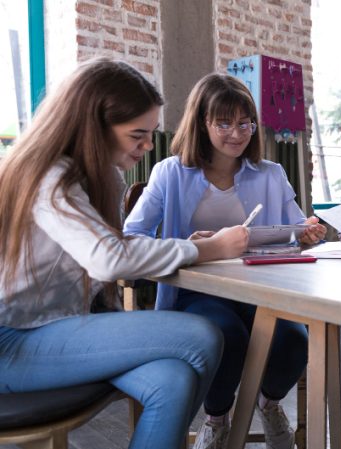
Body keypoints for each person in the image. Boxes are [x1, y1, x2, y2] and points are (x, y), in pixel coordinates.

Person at [0, 58, 248, 449]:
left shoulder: (102, 178)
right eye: (138, 134)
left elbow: (113, 247)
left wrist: (187, 246)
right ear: (92, 128)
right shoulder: (49, 176)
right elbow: (108, 258)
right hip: (11, 339)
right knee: (202, 334)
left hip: (52, 327)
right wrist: (206, 248)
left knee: (174, 379)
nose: (148, 145)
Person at [124, 73, 326, 449]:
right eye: (224, 123)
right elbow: (131, 237)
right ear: (202, 123)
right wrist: (186, 244)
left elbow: (294, 227)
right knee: (224, 336)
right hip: (197, 294)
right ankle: (217, 419)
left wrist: (307, 232)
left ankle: (269, 403)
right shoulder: (170, 173)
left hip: (262, 290)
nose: (237, 133)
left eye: (245, 123)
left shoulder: (271, 173)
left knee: (293, 341)